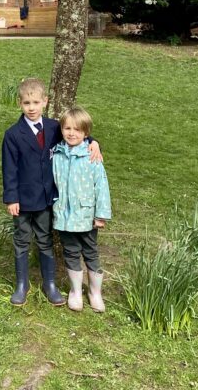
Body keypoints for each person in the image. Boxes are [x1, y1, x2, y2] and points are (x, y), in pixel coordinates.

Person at [1, 78, 101, 307]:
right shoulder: (13, 134)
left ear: (45, 102)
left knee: (45, 241)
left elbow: (75, 134)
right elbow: (9, 169)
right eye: (27, 103)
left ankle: (50, 284)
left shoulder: (55, 127)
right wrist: (11, 198)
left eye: (36, 102)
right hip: (23, 201)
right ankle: (22, 284)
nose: (32, 107)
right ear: (20, 104)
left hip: (46, 199)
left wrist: (94, 143)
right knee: (21, 241)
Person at [52, 106, 112, 312]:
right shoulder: (57, 154)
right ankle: (75, 291)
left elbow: (101, 186)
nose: (71, 133)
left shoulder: (91, 156)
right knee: (70, 252)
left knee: (91, 252)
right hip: (64, 216)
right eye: (67, 128)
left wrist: (101, 215)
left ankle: (95, 292)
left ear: (86, 133)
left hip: (86, 217)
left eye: (77, 130)